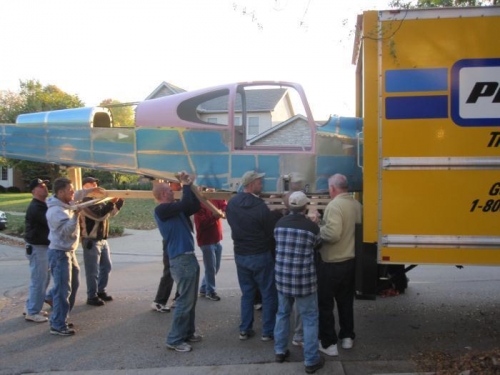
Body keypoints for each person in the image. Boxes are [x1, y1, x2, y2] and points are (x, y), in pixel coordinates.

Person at [273, 191, 324, 373]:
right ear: (304, 207)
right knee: (310, 318)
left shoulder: (279, 224)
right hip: (304, 281)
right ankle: (310, 361)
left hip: (283, 279)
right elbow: (318, 245)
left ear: (289, 206)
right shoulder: (311, 228)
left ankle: (279, 351)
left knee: (282, 314)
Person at [225, 171, 278, 342]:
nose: (262, 184)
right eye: (260, 182)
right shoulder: (260, 206)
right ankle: (267, 332)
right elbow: (270, 231)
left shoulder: (232, 204)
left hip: (241, 255)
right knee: (268, 293)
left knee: (247, 294)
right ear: (252, 183)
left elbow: (231, 224)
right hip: (260, 255)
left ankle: (245, 329)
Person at [152, 172, 201, 353]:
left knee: (190, 299)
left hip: (187, 257)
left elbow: (193, 205)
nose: (175, 191)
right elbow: (187, 203)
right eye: (171, 190)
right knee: (184, 302)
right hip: (181, 260)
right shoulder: (162, 210)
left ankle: (187, 332)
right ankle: (174, 339)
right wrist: (186, 184)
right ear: (164, 194)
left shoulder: (174, 209)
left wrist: (189, 186)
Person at [317, 174, 362, 356]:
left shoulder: (334, 205)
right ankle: (347, 337)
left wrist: (318, 228)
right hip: (350, 262)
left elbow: (333, 234)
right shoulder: (356, 205)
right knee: (345, 302)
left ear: (333, 188)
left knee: (325, 305)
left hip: (332, 263)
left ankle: (329, 343)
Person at [78, 177, 124, 306]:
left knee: (106, 266)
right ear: (84, 186)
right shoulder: (85, 202)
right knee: (92, 271)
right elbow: (99, 216)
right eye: (92, 183)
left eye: (96, 183)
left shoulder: (99, 200)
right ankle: (91, 296)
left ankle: (100, 290)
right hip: (91, 241)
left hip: (102, 240)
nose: (95, 185)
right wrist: (111, 203)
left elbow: (111, 213)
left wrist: (119, 201)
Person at [46, 177, 81, 336]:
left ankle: (60, 316)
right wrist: (76, 215)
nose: (73, 192)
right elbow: (67, 231)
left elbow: (80, 193)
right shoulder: (55, 211)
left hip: (68, 252)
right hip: (60, 253)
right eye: (70, 190)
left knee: (72, 284)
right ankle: (58, 324)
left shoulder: (65, 205)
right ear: (60, 192)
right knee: (62, 290)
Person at [24, 178, 51, 323]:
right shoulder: (36, 207)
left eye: (45, 185)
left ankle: (33, 306)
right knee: (39, 280)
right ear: (34, 191)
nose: (44, 187)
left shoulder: (42, 205)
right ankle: (32, 312)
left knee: (43, 279)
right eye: (41, 186)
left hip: (42, 247)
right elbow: (50, 222)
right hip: (37, 248)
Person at [194, 193, 227, 301]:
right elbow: (201, 224)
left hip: (217, 239)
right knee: (210, 268)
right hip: (206, 241)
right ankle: (210, 291)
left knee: (215, 267)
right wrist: (214, 217)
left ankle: (204, 288)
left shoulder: (215, 198)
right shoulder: (199, 205)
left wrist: (224, 211)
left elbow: (223, 206)